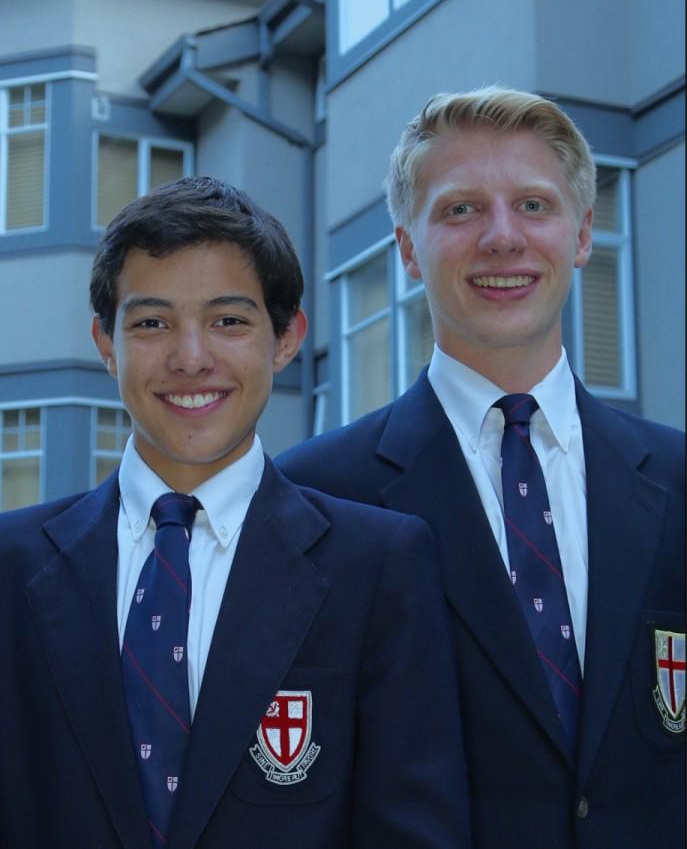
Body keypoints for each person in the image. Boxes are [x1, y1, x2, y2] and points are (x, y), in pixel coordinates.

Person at [0, 176, 472, 848]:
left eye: (228, 321)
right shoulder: (12, 569)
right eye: (151, 322)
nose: (191, 358)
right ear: (107, 344)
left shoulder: (376, 566)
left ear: (285, 338)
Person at [277, 87, 686, 848]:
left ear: (582, 233)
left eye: (533, 205)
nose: (503, 237)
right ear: (406, 249)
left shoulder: (677, 477)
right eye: (460, 210)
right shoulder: (311, 499)